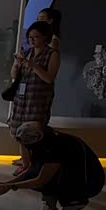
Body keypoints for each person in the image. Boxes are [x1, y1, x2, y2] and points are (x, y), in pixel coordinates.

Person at [0, 122, 104, 210]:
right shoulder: (44, 140)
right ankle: (74, 201)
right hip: (83, 178)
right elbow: (31, 169)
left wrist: (11, 186)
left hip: (90, 183)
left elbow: (41, 180)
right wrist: (7, 184)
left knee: (47, 176)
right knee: (36, 171)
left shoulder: (55, 146)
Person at [8, 21, 61, 175]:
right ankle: (26, 164)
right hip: (21, 100)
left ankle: (35, 166)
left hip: (38, 101)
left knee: (33, 132)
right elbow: (14, 75)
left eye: (36, 37)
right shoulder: (27, 52)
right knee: (19, 132)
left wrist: (33, 65)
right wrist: (17, 64)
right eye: (30, 37)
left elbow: (49, 78)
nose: (32, 40)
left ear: (45, 37)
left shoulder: (52, 54)